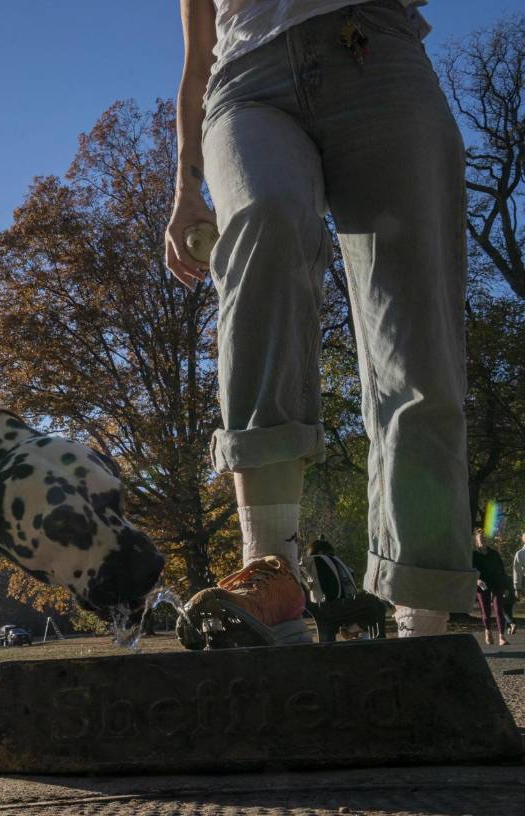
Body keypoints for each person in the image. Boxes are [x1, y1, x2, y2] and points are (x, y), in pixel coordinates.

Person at [168, 0, 477, 645]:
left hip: (373, 50)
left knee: (413, 333)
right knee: (265, 221)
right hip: (246, 84)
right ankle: (271, 570)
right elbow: (197, 66)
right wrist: (186, 188)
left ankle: (421, 614)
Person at [300, 536, 387, 641]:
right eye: (330, 553)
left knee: (374, 605)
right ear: (321, 552)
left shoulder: (313, 563)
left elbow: (308, 582)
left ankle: (351, 630)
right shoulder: (321, 560)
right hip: (338, 605)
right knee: (377, 604)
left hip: (328, 606)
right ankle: (353, 630)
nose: (332, 555)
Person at [472, 528, 510, 646]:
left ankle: (501, 637)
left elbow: (502, 571)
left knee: (498, 609)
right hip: (482, 585)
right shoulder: (474, 555)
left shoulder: (494, 554)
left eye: (484, 538)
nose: (483, 541)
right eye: (480, 539)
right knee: (486, 611)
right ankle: (488, 632)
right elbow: (471, 570)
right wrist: (477, 580)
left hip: (497, 584)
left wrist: (506, 586)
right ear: (476, 541)